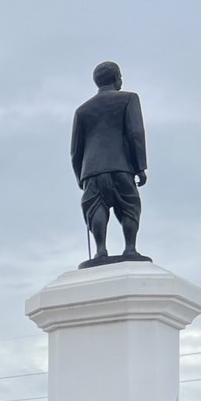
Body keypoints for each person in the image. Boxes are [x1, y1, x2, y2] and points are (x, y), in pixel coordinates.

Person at [70, 60, 148, 263]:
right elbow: (136, 133)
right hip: (121, 165)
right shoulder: (129, 99)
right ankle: (130, 248)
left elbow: (75, 150)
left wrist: (81, 176)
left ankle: (100, 250)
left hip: (92, 170)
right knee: (130, 205)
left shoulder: (82, 110)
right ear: (116, 78)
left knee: (96, 208)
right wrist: (140, 166)